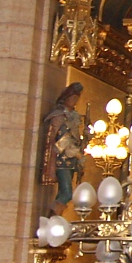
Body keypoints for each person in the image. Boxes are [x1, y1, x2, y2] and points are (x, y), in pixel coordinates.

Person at [40, 83, 86, 213]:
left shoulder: (75, 117)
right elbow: (53, 137)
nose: (74, 101)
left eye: (76, 99)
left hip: (71, 160)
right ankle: (52, 218)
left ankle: (55, 218)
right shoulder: (59, 116)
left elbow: (76, 138)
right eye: (72, 98)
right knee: (67, 193)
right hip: (61, 159)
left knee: (64, 193)